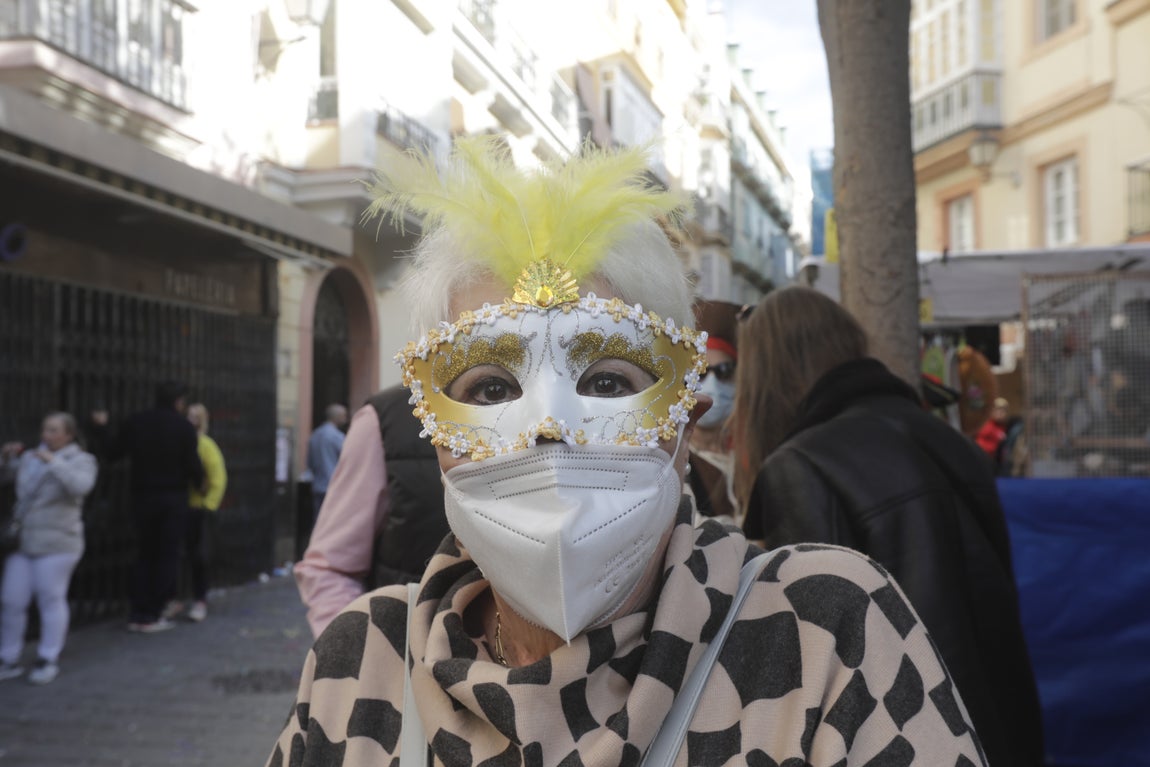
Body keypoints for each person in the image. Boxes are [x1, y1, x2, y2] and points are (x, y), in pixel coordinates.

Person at [268, 138, 986, 766]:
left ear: (684, 418)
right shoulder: (360, 663)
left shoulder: (824, 636)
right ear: (434, 433)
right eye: (490, 387)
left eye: (607, 379)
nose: (550, 428)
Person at [735, 286, 1044, 767]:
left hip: (903, 744)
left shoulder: (802, 465)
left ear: (766, 371)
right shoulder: (950, 441)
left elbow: (810, 670)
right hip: (998, 735)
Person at [295, 385, 447, 637]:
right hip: (406, 657)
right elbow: (331, 566)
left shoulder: (323, 435)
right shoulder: (387, 418)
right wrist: (356, 658)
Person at [0, 413, 97, 684]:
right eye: (45, 429)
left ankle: (48, 656)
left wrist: (54, 462)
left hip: (59, 542)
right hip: (24, 540)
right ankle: (8, 657)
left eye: (54, 430)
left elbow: (81, 486)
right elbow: (7, 479)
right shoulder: (30, 457)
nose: (47, 435)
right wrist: (6, 458)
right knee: (11, 599)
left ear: (68, 435)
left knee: (50, 597)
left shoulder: (82, 461)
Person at [111, 381, 204, 633]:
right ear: (178, 402)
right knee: (166, 555)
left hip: (141, 496)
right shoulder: (183, 427)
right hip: (171, 498)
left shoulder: (136, 421)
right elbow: (192, 464)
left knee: (143, 553)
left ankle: (138, 611)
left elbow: (114, 451)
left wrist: (99, 429)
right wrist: (200, 484)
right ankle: (154, 611)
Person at [164, 403, 227, 623]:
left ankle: (199, 599)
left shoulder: (205, 445)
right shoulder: (179, 442)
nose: (191, 420)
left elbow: (218, 478)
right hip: (179, 506)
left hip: (197, 509)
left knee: (198, 557)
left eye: (196, 416)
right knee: (175, 555)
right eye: (188, 416)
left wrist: (208, 505)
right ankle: (175, 598)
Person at [686, 299, 741, 522]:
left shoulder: (752, 454)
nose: (713, 384)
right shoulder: (676, 462)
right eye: (700, 373)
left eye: (724, 371)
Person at [306, 404, 347, 522]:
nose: (346, 418)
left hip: (318, 486)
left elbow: (310, 463)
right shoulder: (337, 437)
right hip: (333, 486)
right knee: (332, 522)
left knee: (318, 521)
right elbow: (348, 460)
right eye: (344, 415)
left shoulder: (315, 435)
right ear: (338, 417)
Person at [975, 397, 1010, 465]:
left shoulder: (1003, 426)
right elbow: (980, 445)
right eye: (997, 410)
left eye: (1003, 411)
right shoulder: (988, 427)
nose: (1000, 413)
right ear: (993, 411)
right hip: (986, 460)